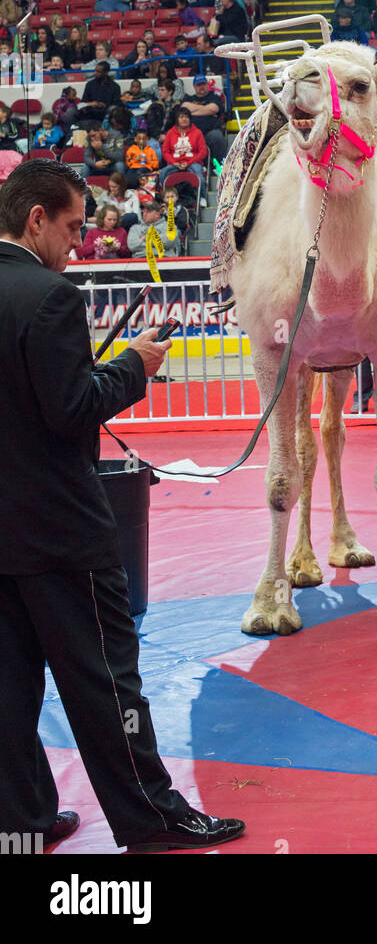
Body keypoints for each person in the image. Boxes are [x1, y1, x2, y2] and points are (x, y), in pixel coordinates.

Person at [0, 162, 244, 850]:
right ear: (35, 217)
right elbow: (70, 408)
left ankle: (20, 820)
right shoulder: (48, 296)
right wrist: (134, 366)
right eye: (73, 227)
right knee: (107, 684)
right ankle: (151, 818)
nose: (78, 243)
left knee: (9, 688)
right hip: (59, 532)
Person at [180, 74, 227, 163]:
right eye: (199, 85)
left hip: (209, 132)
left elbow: (214, 109)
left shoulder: (214, 97)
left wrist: (192, 112)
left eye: (203, 84)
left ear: (207, 85)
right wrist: (207, 110)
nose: (201, 87)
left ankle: (220, 167)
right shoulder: (188, 98)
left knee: (217, 136)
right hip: (189, 132)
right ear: (194, 86)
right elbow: (184, 107)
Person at [160, 109, 207, 193]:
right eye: (181, 117)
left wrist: (189, 163)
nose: (184, 119)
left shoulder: (197, 132)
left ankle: (202, 197)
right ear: (177, 120)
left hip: (193, 162)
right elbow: (165, 152)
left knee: (199, 175)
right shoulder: (170, 133)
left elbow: (203, 152)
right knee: (163, 173)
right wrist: (174, 162)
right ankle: (167, 196)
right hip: (175, 163)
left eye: (186, 117)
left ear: (190, 119)